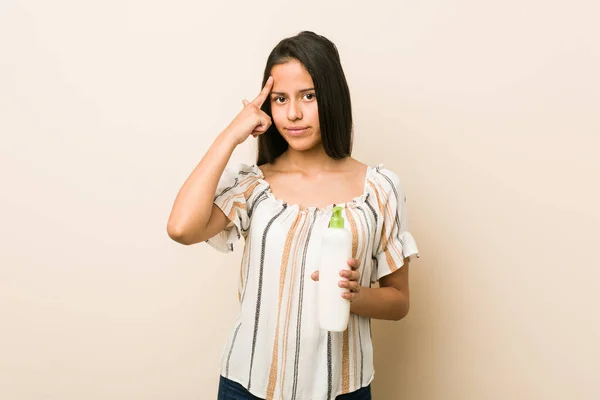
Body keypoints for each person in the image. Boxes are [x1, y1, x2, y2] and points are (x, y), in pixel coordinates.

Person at [167, 31, 419, 400]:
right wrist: (231, 135)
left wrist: (353, 295)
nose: (293, 113)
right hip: (247, 387)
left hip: (342, 389)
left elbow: (399, 301)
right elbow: (181, 228)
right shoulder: (255, 186)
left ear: (331, 97)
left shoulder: (378, 189)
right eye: (280, 99)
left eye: (309, 96)